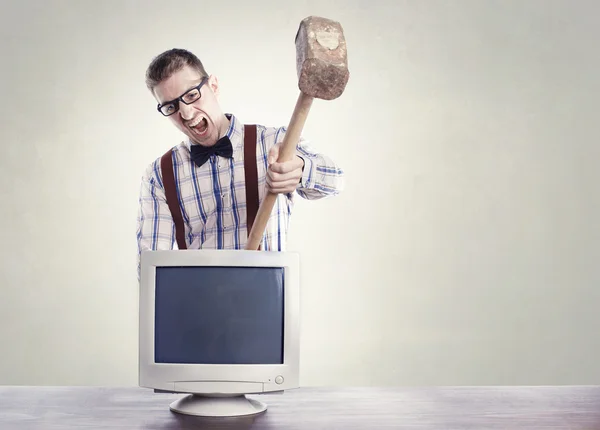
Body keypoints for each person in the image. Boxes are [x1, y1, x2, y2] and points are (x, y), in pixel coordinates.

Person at [136, 48, 344, 277]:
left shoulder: (275, 144)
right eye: (171, 106)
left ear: (213, 86)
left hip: (269, 304)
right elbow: (150, 269)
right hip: (198, 305)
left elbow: (335, 179)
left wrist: (301, 169)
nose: (185, 113)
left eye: (192, 95)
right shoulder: (159, 175)